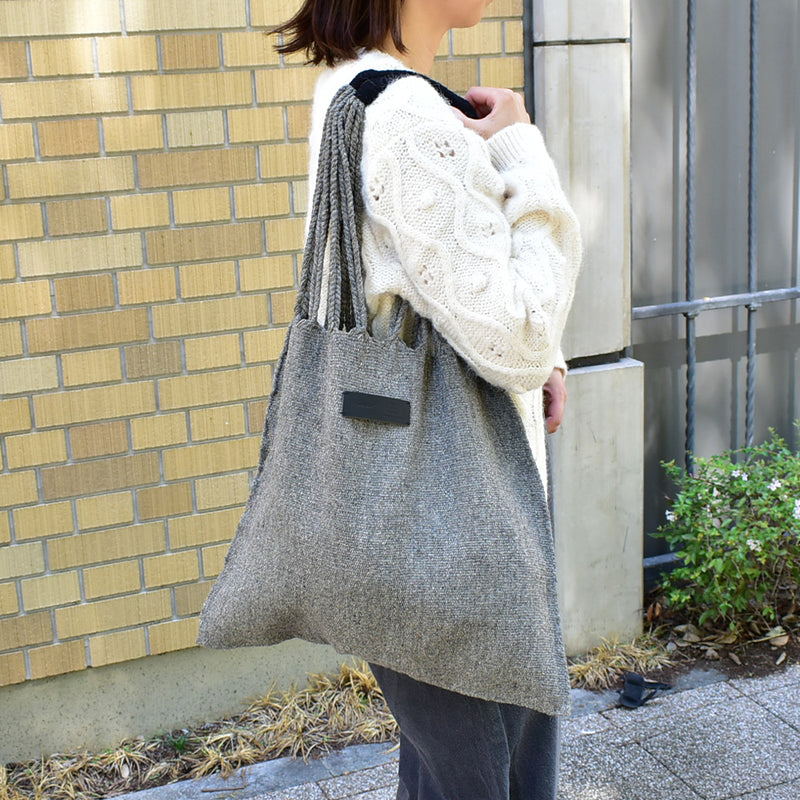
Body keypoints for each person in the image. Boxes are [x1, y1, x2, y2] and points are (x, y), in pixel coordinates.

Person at [273, 2, 582, 798]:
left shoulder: (355, 88)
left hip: (397, 522)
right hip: (459, 537)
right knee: (494, 776)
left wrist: (536, 356)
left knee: (443, 773)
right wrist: (522, 150)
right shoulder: (410, 118)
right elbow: (516, 332)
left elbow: (416, 287)